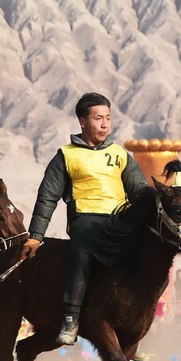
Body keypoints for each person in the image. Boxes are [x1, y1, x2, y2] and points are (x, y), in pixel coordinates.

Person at [20, 93, 148, 345]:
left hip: (118, 223)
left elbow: (140, 193)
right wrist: (35, 236)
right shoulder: (66, 156)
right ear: (82, 121)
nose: (104, 125)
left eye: (108, 119)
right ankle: (71, 317)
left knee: (144, 258)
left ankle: (131, 333)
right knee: (82, 256)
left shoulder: (120, 154)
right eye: (98, 118)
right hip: (85, 220)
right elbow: (47, 197)